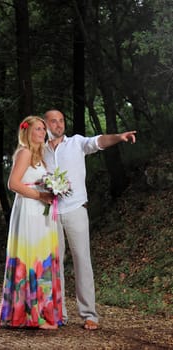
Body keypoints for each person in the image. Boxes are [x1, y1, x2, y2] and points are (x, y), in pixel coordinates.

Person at [43, 109, 136, 330]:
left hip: (76, 209)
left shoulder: (76, 143)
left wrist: (119, 137)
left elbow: (98, 141)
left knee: (82, 261)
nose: (59, 124)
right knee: (53, 264)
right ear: (44, 125)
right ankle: (57, 315)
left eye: (61, 120)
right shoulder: (40, 150)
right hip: (50, 212)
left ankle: (89, 314)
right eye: (53, 121)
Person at [0, 116, 62, 330]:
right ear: (27, 132)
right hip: (28, 210)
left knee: (42, 256)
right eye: (38, 129)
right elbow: (13, 183)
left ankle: (40, 311)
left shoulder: (41, 157)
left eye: (44, 128)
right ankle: (33, 316)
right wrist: (38, 195)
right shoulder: (24, 152)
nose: (42, 132)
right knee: (32, 257)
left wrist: (54, 191)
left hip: (42, 212)